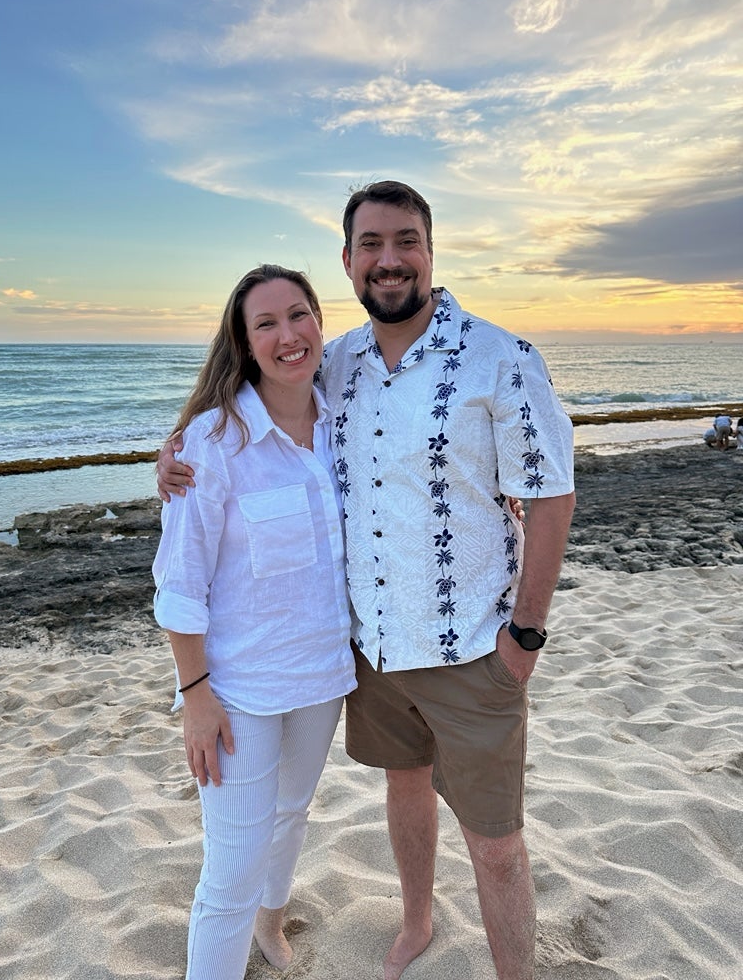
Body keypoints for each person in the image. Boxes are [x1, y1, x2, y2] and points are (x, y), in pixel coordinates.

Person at [159, 181, 576, 980]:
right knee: (403, 791)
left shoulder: (502, 358)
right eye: (372, 245)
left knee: (495, 842)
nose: (390, 260)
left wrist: (524, 634)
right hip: (370, 654)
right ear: (347, 261)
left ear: (430, 249)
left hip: (470, 649)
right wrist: (176, 456)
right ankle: (416, 922)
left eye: (406, 241)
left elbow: (551, 491)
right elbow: (239, 424)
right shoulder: (336, 363)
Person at [152, 264, 356, 980]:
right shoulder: (211, 443)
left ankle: (273, 925)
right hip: (236, 690)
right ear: (243, 343)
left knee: (292, 813)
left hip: (324, 674)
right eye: (265, 323)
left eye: (298, 315)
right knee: (231, 868)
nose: (287, 335)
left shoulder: (346, 421)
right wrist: (195, 696)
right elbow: (180, 583)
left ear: (320, 324)